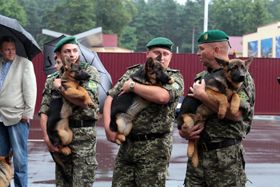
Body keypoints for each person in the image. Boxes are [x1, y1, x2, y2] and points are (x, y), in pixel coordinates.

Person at [103, 37, 184, 187]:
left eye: (166, 53)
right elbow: (110, 96)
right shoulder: (133, 72)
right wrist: (108, 127)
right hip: (127, 146)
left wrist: (132, 86)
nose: (162, 57)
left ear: (171, 57)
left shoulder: (174, 78)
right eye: (157, 52)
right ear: (148, 54)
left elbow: (162, 96)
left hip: (154, 148)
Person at [179, 30, 255, 186]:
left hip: (225, 160)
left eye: (201, 49)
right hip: (198, 159)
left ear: (216, 51)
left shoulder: (241, 76)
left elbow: (236, 114)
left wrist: (203, 96)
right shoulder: (201, 77)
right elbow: (191, 109)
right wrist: (184, 131)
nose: (197, 54)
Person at [39, 36, 100, 187]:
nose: (72, 54)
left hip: (83, 136)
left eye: (74, 50)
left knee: (82, 184)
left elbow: (85, 101)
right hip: (60, 135)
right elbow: (44, 110)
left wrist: (61, 88)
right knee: (63, 183)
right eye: (67, 51)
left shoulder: (88, 72)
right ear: (59, 55)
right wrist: (47, 138)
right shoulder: (52, 78)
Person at [0, 36, 37, 187]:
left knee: (20, 160)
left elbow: (30, 90)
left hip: (17, 117)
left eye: (13, 49)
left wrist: (27, 113)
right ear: (1, 51)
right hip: (0, 117)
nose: (11, 52)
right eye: (7, 49)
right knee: (2, 159)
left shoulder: (25, 64)